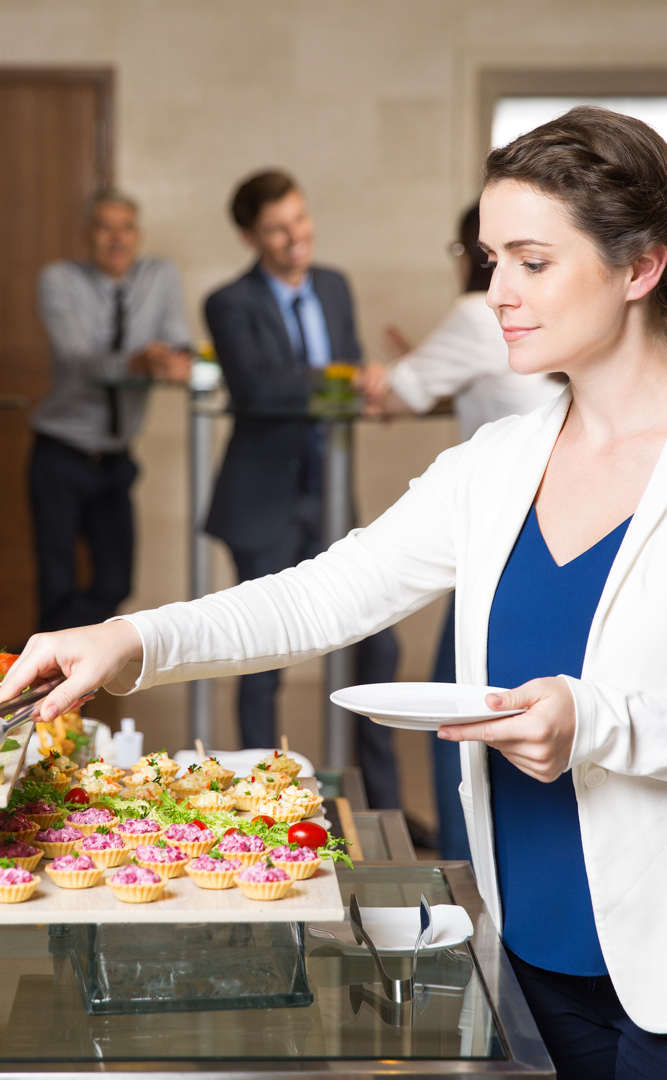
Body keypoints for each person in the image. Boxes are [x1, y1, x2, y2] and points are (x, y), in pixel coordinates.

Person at [0, 107, 667, 1076]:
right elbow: (323, 595)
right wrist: (128, 637)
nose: (496, 294)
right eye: (489, 260)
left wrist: (598, 723)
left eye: (531, 261)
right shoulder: (499, 462)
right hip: (536, 965)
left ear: (640, 267)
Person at [358, 206, 564, 859]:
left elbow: (393, 395)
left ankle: (463, 867)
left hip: (511, 537)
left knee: (457, 705)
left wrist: (389, 373)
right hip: (549, 533)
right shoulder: (539, 318)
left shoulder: (479, 311)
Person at [202, 169, 401, 807]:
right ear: (249, 236)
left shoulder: (336, 286)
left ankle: (376, 803)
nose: (296, 237)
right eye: (277, 229)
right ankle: (259, 803)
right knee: (264, 657)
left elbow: (343, 366)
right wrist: (343, 376)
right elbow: (258, 388)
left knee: (378, 646)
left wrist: (361, 375)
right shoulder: (228, 303)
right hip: (264, 500)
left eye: (300, 219)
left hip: (333, 491)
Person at [31, 188, 191, 632]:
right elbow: (80, 360)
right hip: (61, 453)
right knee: (56, 584)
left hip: (117, 458)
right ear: (87, 235)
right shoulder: (59, 279)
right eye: (105, 228)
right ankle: (48, 693)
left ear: (138, 235)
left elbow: (179, 339)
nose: (116, 239)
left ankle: (69, 654)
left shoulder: (159, 276)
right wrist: (138, 363)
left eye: (126, 228)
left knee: (116, 582)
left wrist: (175, 360)